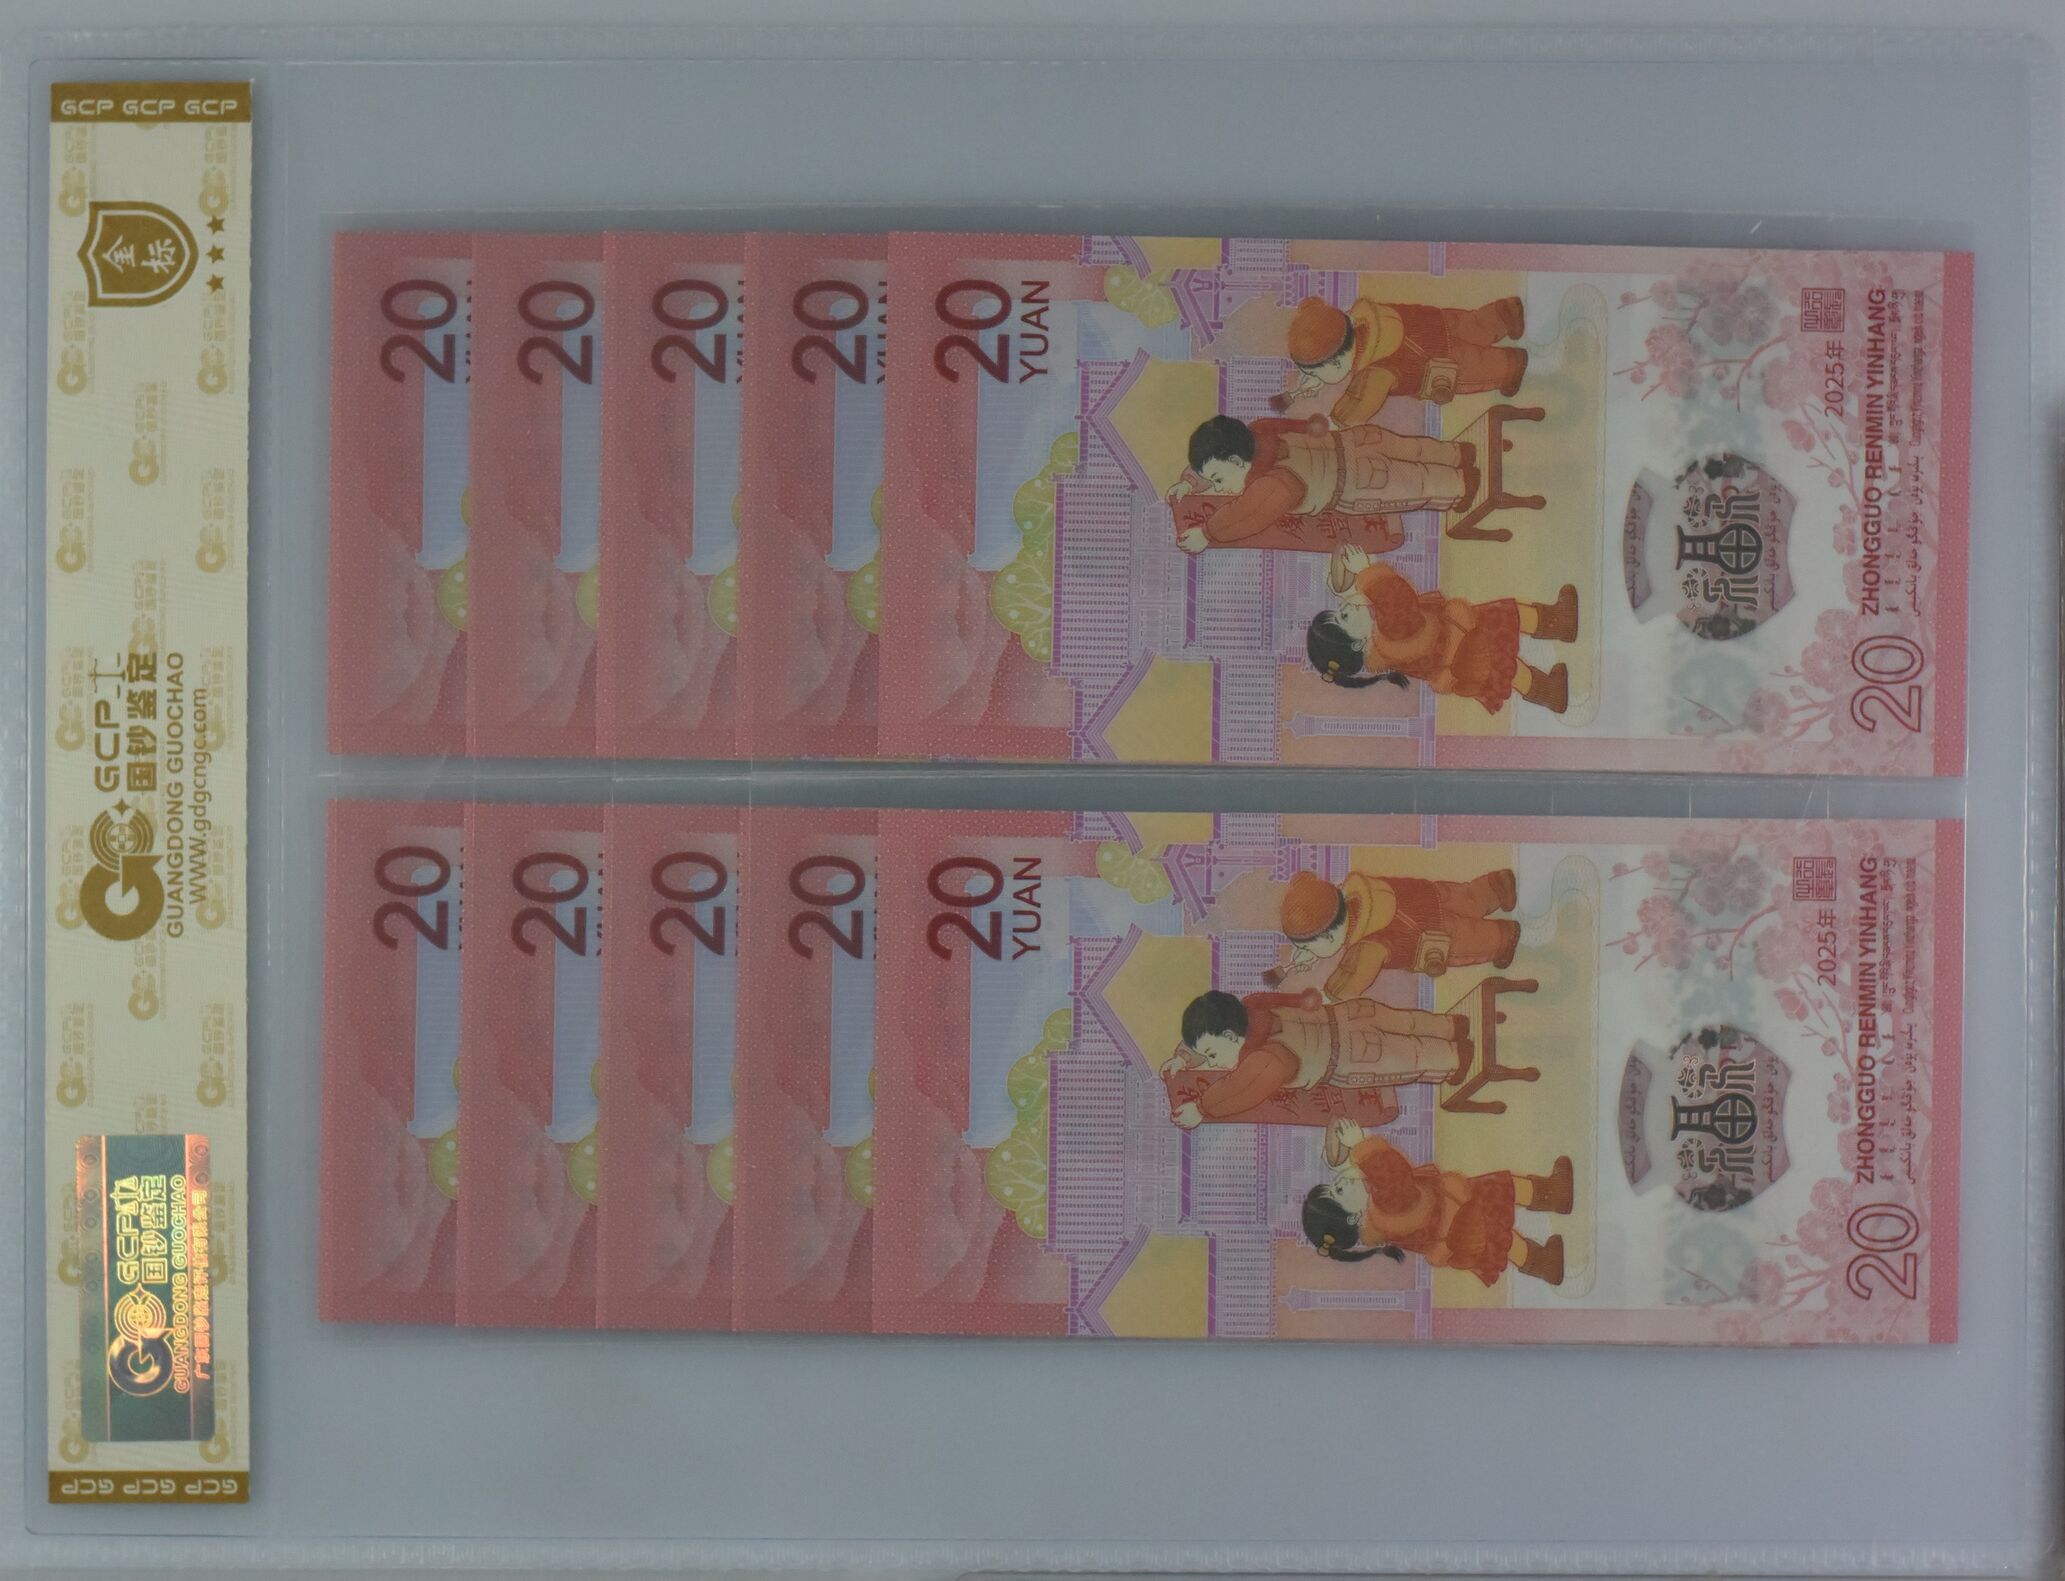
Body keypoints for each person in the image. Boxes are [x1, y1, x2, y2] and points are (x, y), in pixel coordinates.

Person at [1308, 543, 1578, 716]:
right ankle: (1551, 684)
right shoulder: (1388, 635)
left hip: (1459, 644)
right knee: (1508, 659)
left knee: (1508, 631)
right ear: (1357, 643)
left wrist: (1349, 587)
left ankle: (1558, 633)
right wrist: (1366, 571)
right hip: (1463, 646)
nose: (1346, 607)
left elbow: (1379, 606)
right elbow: (1397, 601)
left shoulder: (1381, 640)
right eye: (1343, 616)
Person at [1302, 1118, 1572, 1287]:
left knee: (1502, 1213)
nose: (1341, 1182)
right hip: (1459, 1219)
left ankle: (1548, 1232)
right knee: (1503, 1226)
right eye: (1337, 1190)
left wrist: (1342, 1160)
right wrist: (1361, 1145)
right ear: (1352, 1216)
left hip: (1454, 1218)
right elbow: (1392, 1176)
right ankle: (1545, 1254)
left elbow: (1373, 1180)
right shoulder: (1384, 1210)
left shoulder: (1376, 1217)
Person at [1161, 986, 1471, 1130]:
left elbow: (1239, 1089)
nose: (1213, 1063)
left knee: (1411, 1056)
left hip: (1352, 1055)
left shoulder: (1265, 1059)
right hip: (1351, 1013)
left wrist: (1201, 1109)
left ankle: (1455, 1057)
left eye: (1212, 1055)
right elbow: (1294, 999)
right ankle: (1450, 1026)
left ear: (1231, 1037)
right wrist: (1184, 1058)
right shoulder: (1253, 1004)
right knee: (1406, 1022)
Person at [1169, 413, 1476, 555]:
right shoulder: (1259, 430)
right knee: (1413, 449)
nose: (1219, 488)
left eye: (1218, 479)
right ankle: (1457, 453)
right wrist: (1190, 482)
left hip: (1358, 481)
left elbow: (1243, 515)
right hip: (1358, 439)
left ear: (1237, 462)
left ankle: (1462, 484)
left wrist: (1207, 534)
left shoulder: (1273, 484)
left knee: (1417, 484)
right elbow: (1302, 425)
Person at [1273, 294, 1528, 427]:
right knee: (1474, 324)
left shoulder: (1374, 374)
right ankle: (1504, 314)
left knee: (1480, 367)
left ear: (1337, 364)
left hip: (1443, 361)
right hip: (1439, 322)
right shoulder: (1366, 317)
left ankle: (1510, 365)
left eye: (1315, 373)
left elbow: (1359, 405)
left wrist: (1336, 421)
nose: (1313, 378)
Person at [1270, 866, 1519, 1000]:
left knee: (1473, 939)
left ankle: (1504, 937)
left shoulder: (1366, 947)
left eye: (1307, 946)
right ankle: (1496, 886)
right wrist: (1301, 961)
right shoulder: (1358, 891)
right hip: (1431, 894)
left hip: (1435, 932)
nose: (1304, 952)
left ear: (1327, 936)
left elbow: (1351, 980)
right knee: (1468, 897)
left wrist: (1330, 995)